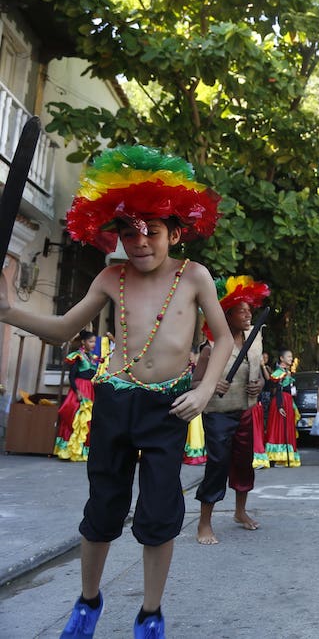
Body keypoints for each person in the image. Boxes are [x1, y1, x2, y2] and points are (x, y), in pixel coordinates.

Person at [0, 145, 232, 639]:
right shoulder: (111, 276)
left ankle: (150, 613)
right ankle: (87, 601)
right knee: (103, 507)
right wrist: (7, 312)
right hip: (116, 401)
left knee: (159, 511)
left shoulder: (194, 276)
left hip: (168, 406)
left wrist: (205, 390)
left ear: (175, 231)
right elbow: (63, 328)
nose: (142, 240)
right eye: (130, 231)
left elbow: (224, 337)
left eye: (153, 229)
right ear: (116, 234)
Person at [194, 276, 269, 545]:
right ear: (228, 314)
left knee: (243, 463)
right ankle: (204, 522)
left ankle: (240, 512)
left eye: (250, 309)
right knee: (217, 465)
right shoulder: (210, 347)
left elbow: (260, 375)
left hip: (246, 410)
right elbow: (194, 384)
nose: (248, 313)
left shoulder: (255, 339)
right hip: (217, 414)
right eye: (242, 310)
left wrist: (259, 385)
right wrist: (211, 384)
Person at [54, 330, 100, 462]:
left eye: (94, 342)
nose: (93, 344)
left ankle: (83, 451)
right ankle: (70, 450)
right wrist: (78, 392)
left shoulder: (92, 357)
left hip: (90, 390)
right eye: (91, 341)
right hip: (80, 389)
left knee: (88, 421)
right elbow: (71, 377)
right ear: (83, 342)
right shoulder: (77, 356)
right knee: (76, 419)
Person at [265, 349, 300, 467]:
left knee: (287, 427)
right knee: (279, 427)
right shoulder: (278, 372)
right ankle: (276, 457)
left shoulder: (287, 371)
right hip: (281, 402)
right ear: (282, 358)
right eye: (289, 356)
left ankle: (285, 456)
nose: (291, 358)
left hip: (288, 401)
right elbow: (277, 390)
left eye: (291, 356)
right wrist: (280, 406)